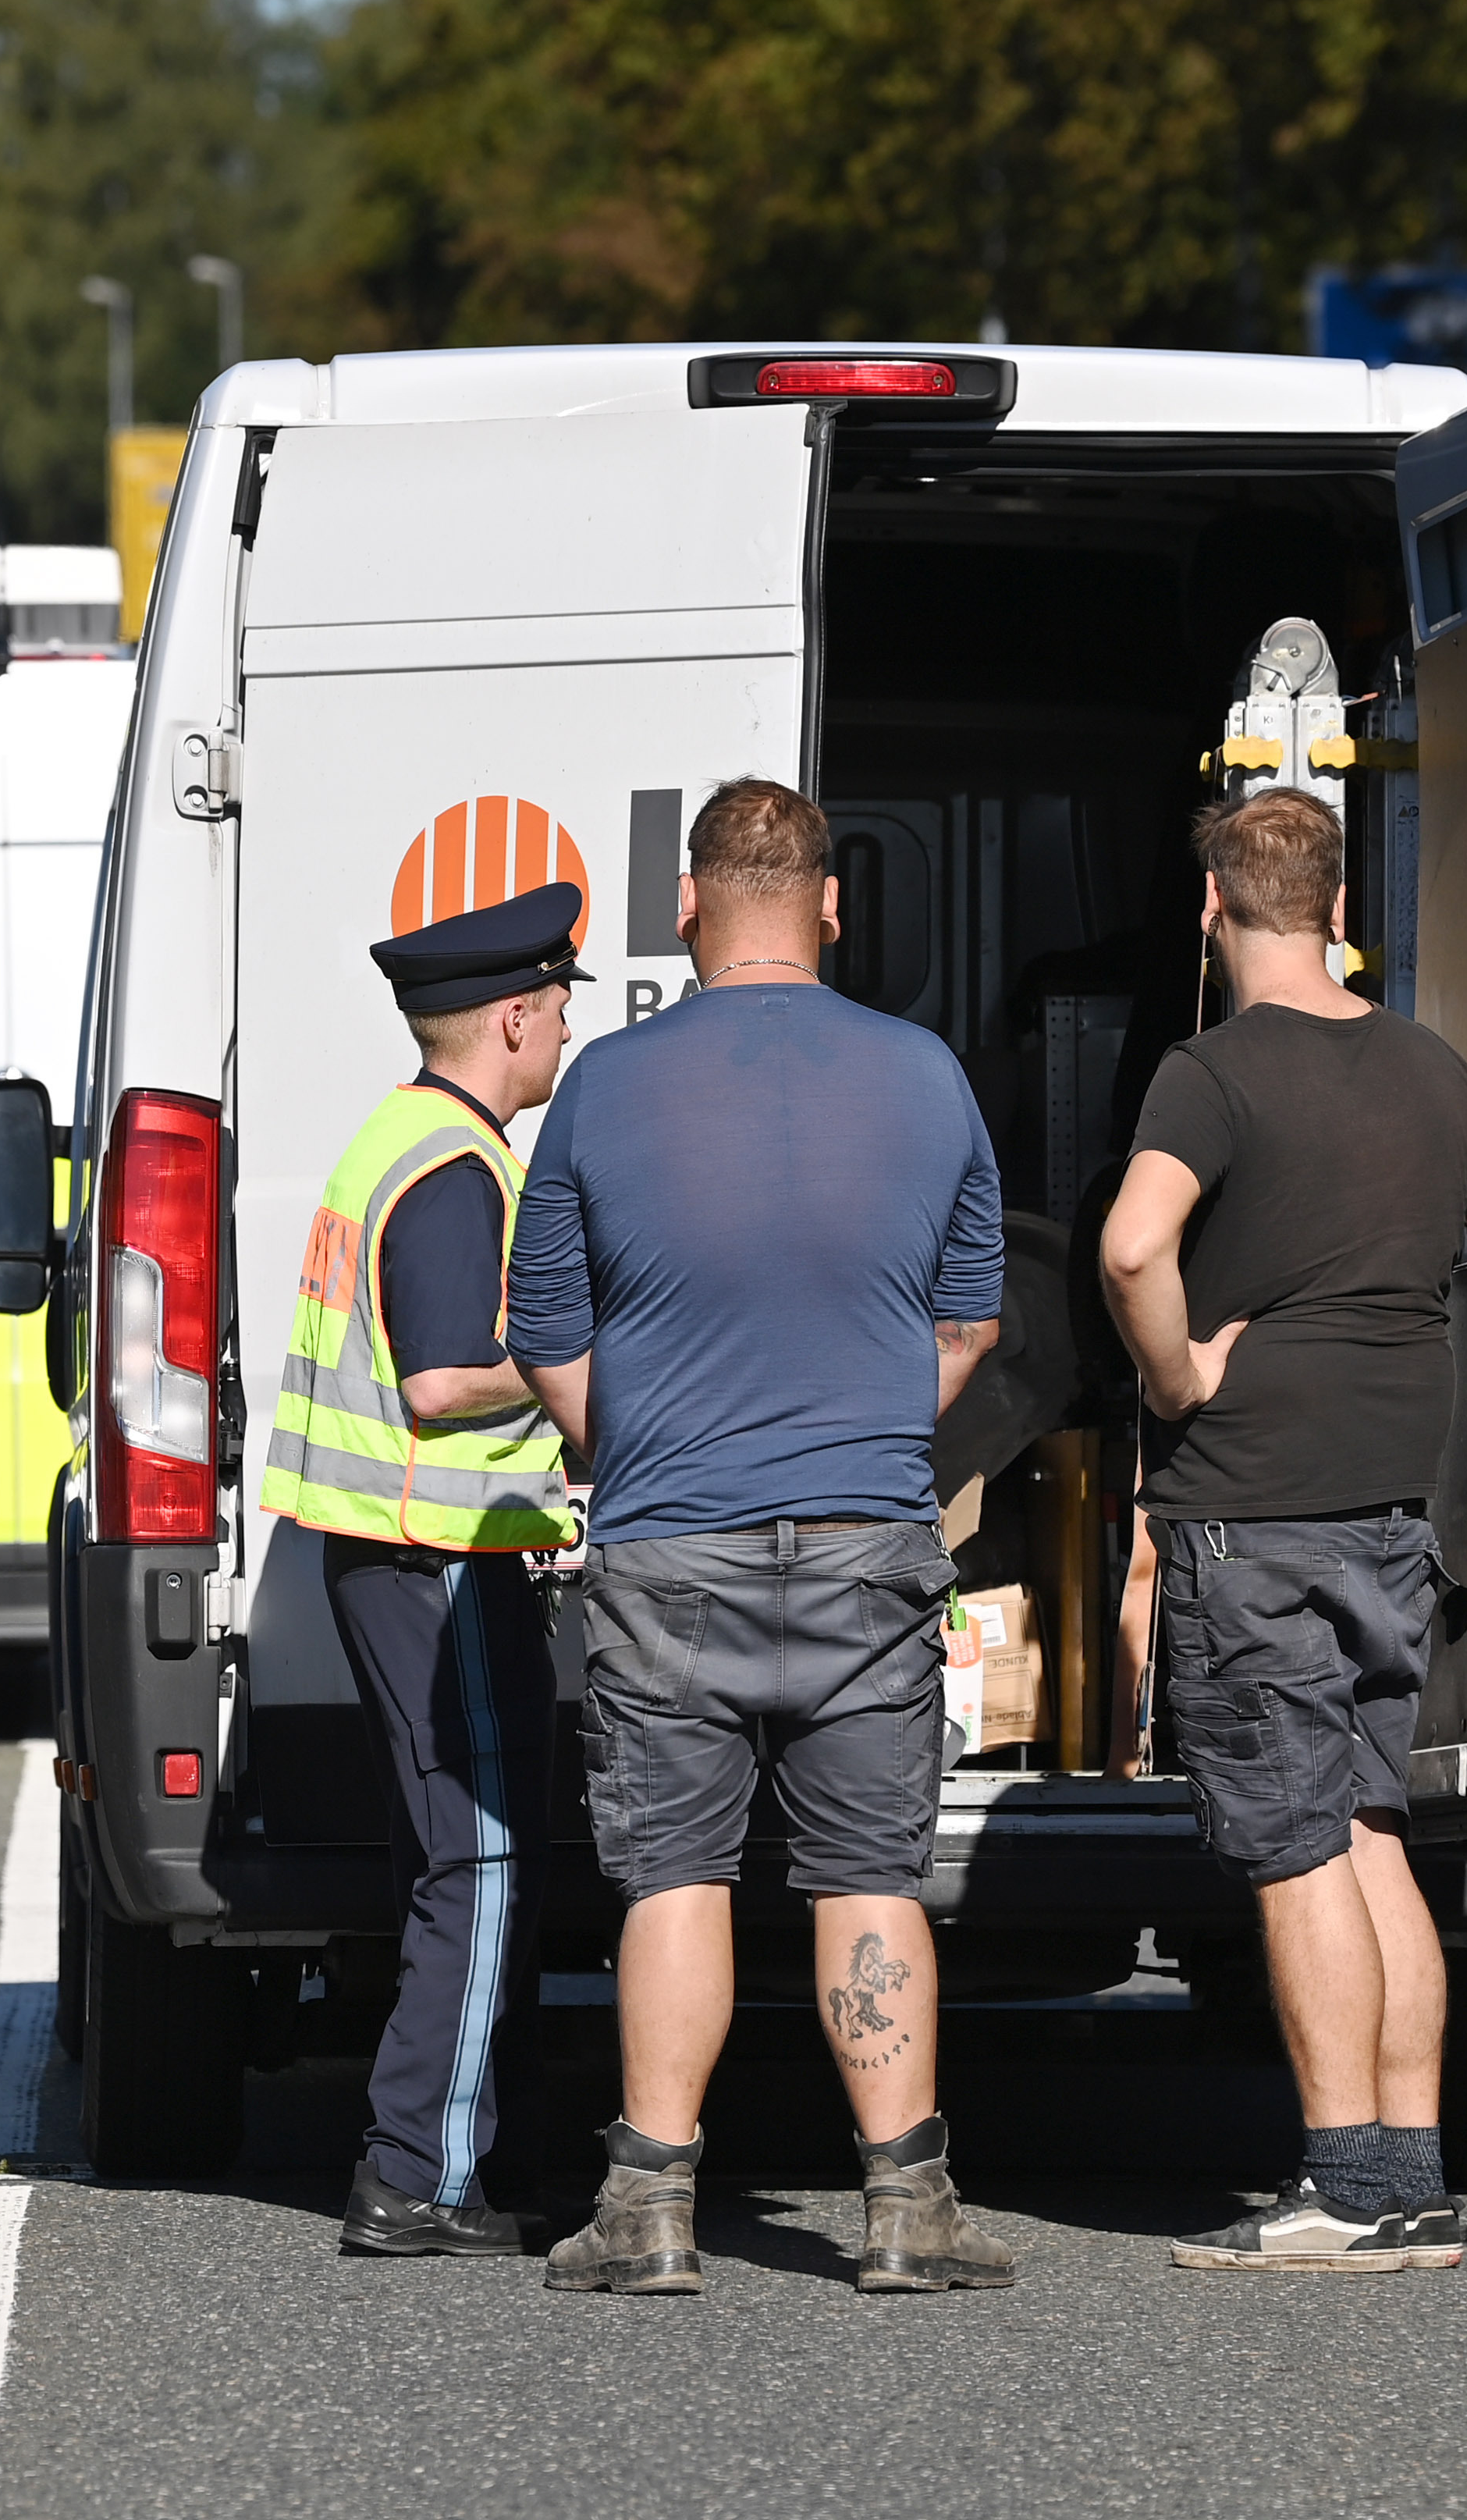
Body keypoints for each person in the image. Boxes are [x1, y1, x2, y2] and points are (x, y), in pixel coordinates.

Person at [1097, 787, 1467, 2273]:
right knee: (1367, 1829)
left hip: (1249, 1514)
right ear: (1342, 911)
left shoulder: (1208, 1077)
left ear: (1217, 917)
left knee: (1289, 1852)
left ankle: (1342, 2186)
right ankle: (1408, 2181)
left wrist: (1176, 1371)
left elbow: (1133, 1242)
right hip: (1391, 1521)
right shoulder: (1431, 1074)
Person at [507, 778, 1017, 2297]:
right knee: (870, 1872)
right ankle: (908, 2209)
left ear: (687, 905)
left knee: (676, 1873)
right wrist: (861, 1421)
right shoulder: (928, 1077)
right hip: (871, 1536)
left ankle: (649, 2208)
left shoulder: (601, 1086)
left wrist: (647, 1440)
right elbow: (973, 1320)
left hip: (669, 1543)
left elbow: (546, 1335)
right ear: (833, 905)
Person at [258, 881, 588, 2258]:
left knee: (451, 1855)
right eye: (559, 1011)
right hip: (434, 1552)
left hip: (402, 1554)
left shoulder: (406, 1139)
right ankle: (420, 2175)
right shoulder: (454, 1168)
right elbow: (447, 1378)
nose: (566, 1033)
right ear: (511, 1017)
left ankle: (449, 2151)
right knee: (487, 1857)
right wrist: (586, 1367)